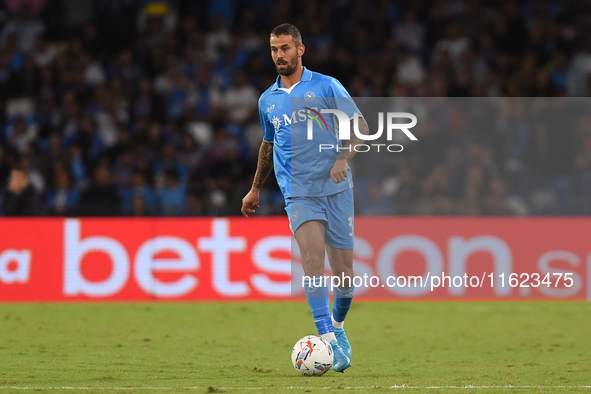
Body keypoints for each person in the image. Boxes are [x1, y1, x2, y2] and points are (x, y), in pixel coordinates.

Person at [241, 23, 369, 373]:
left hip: (337, 191)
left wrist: (343, 157)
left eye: (285, 48)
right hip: (299, 193)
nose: (278, 55)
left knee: (344, 275)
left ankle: (339, 328)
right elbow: (268, 145)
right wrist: (255, 188)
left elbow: (359, 128)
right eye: (273, 49)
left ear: (300, 50)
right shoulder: (268, 99)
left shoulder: (327, 85)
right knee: (312, 263)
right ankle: (328, 342)